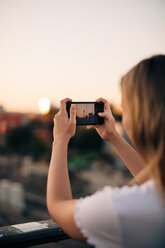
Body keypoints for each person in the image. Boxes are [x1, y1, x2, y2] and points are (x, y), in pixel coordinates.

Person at [46, 55, 165, 248]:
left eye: (125, 110)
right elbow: (156, 181)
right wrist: (113, 137)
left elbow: (58, 205)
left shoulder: (123, 210)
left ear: (143, 117)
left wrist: (59, 140)